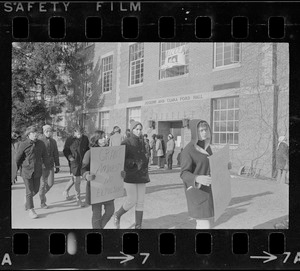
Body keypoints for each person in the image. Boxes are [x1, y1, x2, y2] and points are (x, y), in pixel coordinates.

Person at [113, 121, 150, 229]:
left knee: (141, 201)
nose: (139, 131)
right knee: (131, 200)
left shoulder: (143, 141)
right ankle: (117, 215)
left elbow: (145, 154)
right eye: (136, 129)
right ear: (132, 129)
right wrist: (132, 163)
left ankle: (138, 226)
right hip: (130, 174)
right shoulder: (126, 142)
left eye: (140, 129)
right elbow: (120, 159)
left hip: (142, 174)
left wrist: (146, 159)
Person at [81, 130, 121, 229]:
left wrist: (121, 173)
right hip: (96, 188)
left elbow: (116, 167)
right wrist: (86, 175)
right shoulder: (89, 153)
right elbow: (83, 169)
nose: (105, 139)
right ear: (96, 140)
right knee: (96, 214)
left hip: (108, 187)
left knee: (110, 211)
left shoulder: (110, 152)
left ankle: (98, 229)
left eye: (105, 137)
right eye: (102, 137)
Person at [180, 119, 214, 229]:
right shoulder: (188, 150)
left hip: (207, 191)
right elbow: (184, 174)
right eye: (201, 130)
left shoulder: (207, 147)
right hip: (197, 192)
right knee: (204, 225)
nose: (204, 132)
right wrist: (197, 178)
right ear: (195, 132)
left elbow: (210, 164)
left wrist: (223, 165)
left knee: (204, 224)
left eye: (206, 129)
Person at [16, 125, 51, 219]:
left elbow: (45, 156)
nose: (36, 135)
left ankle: (27, 199)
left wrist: (49, 167)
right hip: (26, 171)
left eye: (37, 133)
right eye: (33, 133)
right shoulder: (23, 144)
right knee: (29, 190)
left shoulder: (41, 144)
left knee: (35, 190)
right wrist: (15, 171)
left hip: (37, 171)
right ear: (29, 134)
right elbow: (18, 158)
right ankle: (31, 210)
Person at [62, 125, 89, 207]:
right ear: (74, 132)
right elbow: (65, 150)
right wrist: (70, 158)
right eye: (78, 133)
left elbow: (87, 149)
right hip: (74, 162)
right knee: (77, 180)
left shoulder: (85, 138)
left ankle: (65, 190)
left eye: (81, 133)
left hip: (83, 161)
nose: (80, 135)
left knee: (74, 178)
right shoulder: (70, 140)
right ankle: (78, 199)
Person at [38, 125, 60, 209]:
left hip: (50, 165)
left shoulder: (53, 141)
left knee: (50, 183)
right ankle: (42, 202)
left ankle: (41, 194)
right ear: (43, 132)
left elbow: (56, 154)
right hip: (42, 165)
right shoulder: (39, 141)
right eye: (46, 131)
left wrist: (57, 165)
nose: (48, 133)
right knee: (42, 184)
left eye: (50, 131)